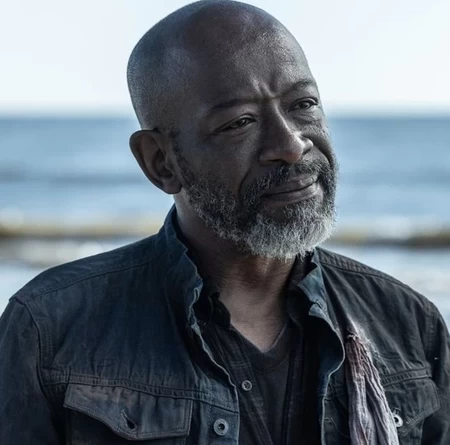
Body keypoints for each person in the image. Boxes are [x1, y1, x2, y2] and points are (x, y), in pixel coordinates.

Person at [1, 1, 449, 444]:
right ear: (160, 162)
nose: (292, 145)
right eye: (239, 123)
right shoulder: (50, 330)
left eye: (304, 103)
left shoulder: (409, 325)